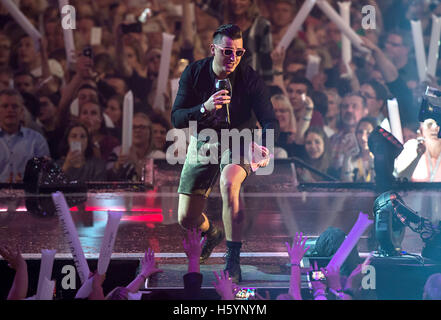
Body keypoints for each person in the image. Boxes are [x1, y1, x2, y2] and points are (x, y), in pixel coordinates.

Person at [171, 24, 279, 283]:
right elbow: (176, 118)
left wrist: (264, 146)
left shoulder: (249, 78)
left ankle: (233, 258)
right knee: (186, 218)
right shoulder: (195, 73)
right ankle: (211, 232)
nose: (233, 59)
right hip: (204, 140)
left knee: (230, 182)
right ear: (213, 49)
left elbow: (270, 120)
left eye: (239, 53)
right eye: (228, 52)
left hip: (239, 140)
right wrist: (204, 108)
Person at [0, 88, 50, 183]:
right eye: (5, 106)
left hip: (28, 195)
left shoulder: (37, 140)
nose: (10, 110)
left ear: (22, 111)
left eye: (14, 106)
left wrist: (26, 183)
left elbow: (44, 175)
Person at [341, 117, 376, 182]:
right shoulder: (350, 159)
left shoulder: (380, 159)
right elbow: (346, 184)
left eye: (368, 133)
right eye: (360, 132)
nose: (363, 137)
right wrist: (346, 158)